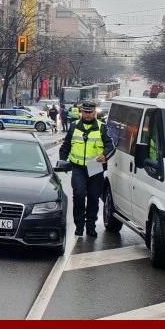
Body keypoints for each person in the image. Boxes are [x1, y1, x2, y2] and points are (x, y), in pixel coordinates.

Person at [58, 101, 116, 237]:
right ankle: (79, 226)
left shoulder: (102, 127)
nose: (88, 114)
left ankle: (91, 226)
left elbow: (110, 146)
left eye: (90, 112)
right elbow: (65, 147)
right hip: (78, 168)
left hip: (95, 167)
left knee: (93, 198)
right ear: (81, 112)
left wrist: (105, 155)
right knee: (78, 195)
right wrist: (62, 162)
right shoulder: (73, 127)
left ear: (94, 112)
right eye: (85, 112)